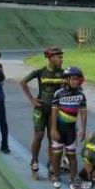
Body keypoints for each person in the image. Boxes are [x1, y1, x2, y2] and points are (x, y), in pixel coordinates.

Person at [20, 46, 65, 179]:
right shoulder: (40, 72)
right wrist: (31, 99)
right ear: (50, 58)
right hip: (41, 108)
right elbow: (23, 82)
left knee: (52, 138)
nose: (61, 59)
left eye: (61, 57)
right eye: (58, 57)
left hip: (55, 110)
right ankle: (34, 160)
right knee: (39, 135)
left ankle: (52, 165)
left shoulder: (64, 73)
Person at [49, 66, 87, 189]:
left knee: (72, 156)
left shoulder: (81, 95)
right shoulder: (58, 93)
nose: (76, 82)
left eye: (78, 79)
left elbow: (83, 113)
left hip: (71, 130)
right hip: (59, 128)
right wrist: (53, 128)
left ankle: (72, 179)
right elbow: (53, 112)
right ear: (67, 79)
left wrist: (83, 129)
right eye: (73, 79)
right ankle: (56, 176)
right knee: (57, 154)